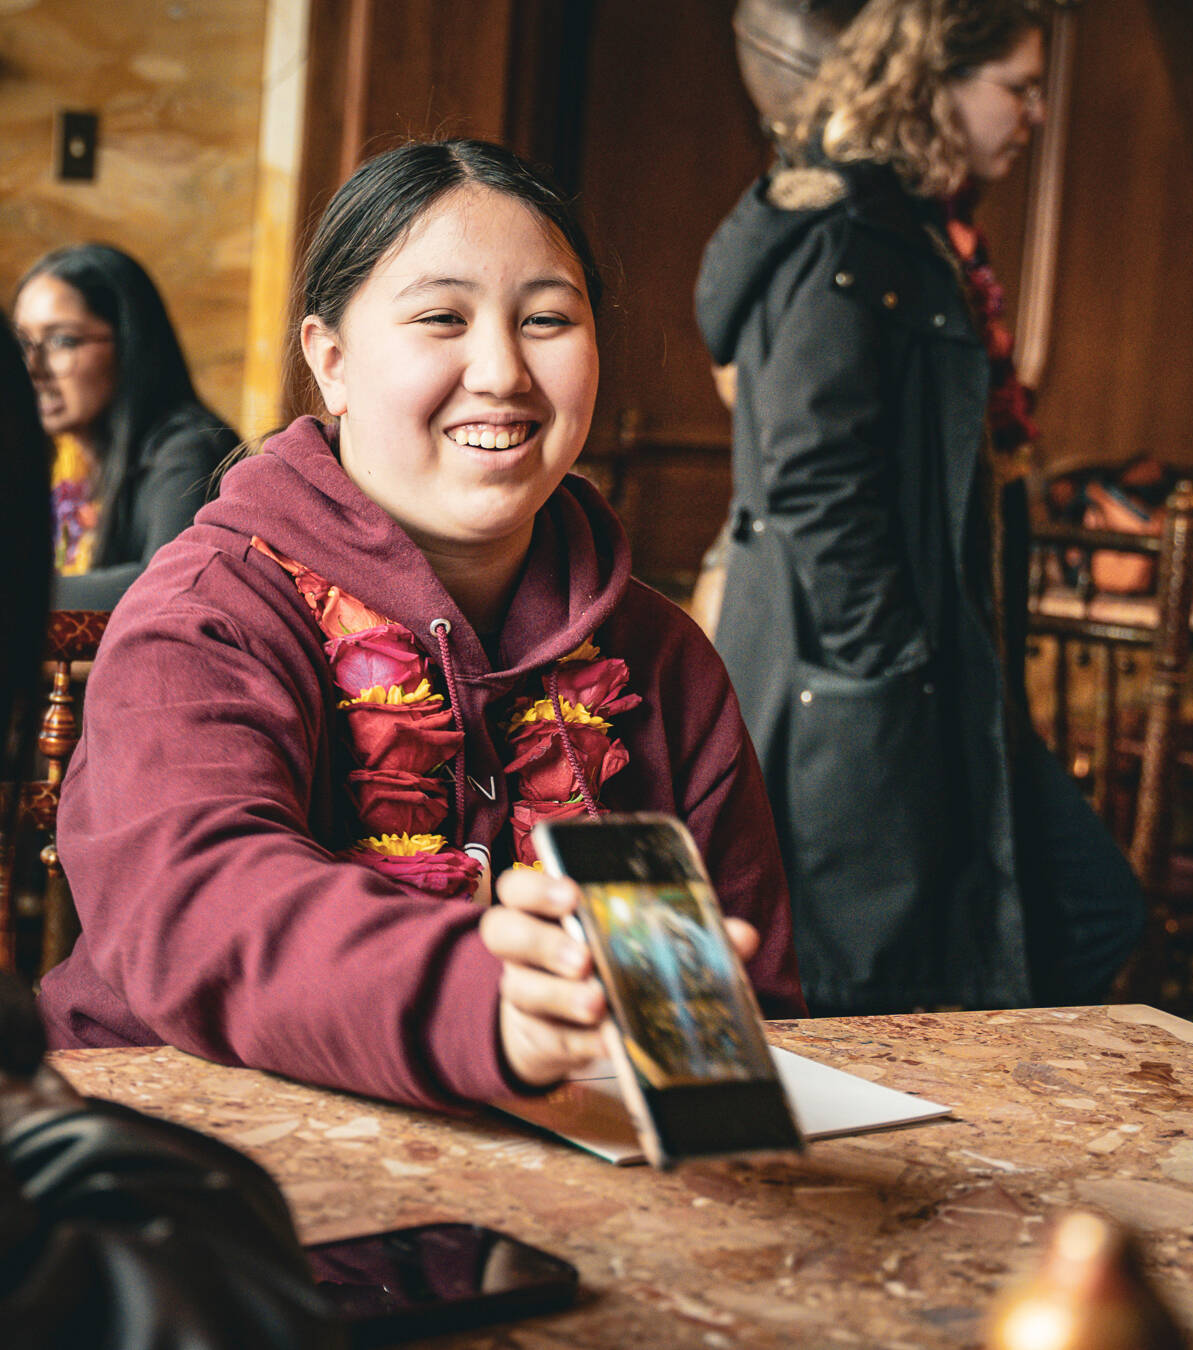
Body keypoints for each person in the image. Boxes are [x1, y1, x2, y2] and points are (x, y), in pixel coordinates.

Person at [39, 139, 804, 1109]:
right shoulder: (209, 614)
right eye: (442, 317)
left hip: (567, 1159)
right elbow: (201, 906)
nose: (502, 371)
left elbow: (746, 1000)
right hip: (184, 1143)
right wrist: (484, 1001)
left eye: (547, 319)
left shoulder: (657, 657)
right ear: (332, 362)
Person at [695, 0, 1143, 1015]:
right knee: (883, 999)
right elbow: (812, 472)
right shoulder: (853, 230)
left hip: (933, 675)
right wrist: (889, 654)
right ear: (934, 81)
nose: (1034, 114)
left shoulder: (912, 228)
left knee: (1059, 928)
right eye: (1018, 89)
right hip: (874, 681)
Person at [0, 318, 340, 1348]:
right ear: (328, 357)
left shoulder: (177, 451)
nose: (45, 365)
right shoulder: (203, 600)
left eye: (64, 337)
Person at [13, 244, 238, 610]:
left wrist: (16, 593)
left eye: (61, 341)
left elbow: (171, 583)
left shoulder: (189, 450)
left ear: (131, 341)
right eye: (22, 343)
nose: (33, 368)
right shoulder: (57, 459)